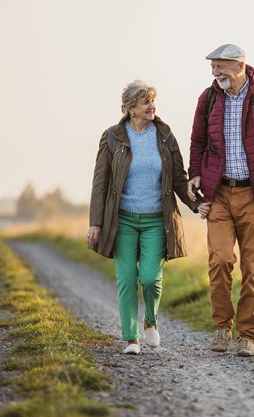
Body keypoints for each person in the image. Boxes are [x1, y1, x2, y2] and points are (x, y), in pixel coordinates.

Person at [187, 44, 254, 357]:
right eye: (212, 68)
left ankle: (247, 335)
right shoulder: (208, 99)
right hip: (219, 193)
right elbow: (197, 142)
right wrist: (195, 173)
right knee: (220, 259)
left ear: (239, 66)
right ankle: (222, 327)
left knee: (252, 268)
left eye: (219, 67)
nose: (214, 73)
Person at [87, 80, 210, 355]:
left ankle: (151, 321)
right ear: (131, 108)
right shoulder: (112, 137)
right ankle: (132, 338)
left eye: (153, 101)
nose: (152, 106)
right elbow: (100, 183)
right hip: (123, 221)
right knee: (127, 278)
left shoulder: (165, 136)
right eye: (146, 102)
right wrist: (95, 223)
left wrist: (197, 203)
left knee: (151, 279)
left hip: (157, 219)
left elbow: (179, 178)